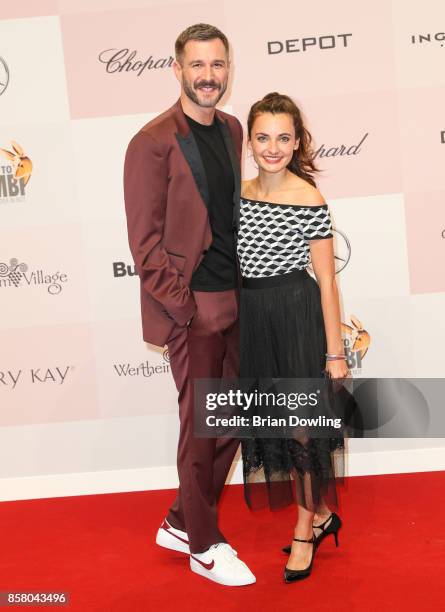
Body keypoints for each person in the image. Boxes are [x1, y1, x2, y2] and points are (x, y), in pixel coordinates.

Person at [123, 23, 255, 586]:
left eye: (218, 65)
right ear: (177, 69)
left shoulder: (232, 127)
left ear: (228, 69)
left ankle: (181, 520)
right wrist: (185, 309)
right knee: (201, 427)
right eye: (197, 66)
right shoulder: (150, 142)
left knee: (234, 418)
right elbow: (144, 244)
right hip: (193, 306)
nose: (208, 76)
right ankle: (204, 545)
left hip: (236, 296)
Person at [237, 92, 348, 583]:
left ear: (298, 140)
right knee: (280, 429)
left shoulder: (309, 199)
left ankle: (305, 528)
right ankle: (322, 514)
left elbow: (327, 281)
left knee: (303, 431)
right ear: (250, 141)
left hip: (296, 318)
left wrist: (336, 353)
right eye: (263, 137)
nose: (273, 147)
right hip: (254, 320)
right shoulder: (237, 193)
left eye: (284, 137)